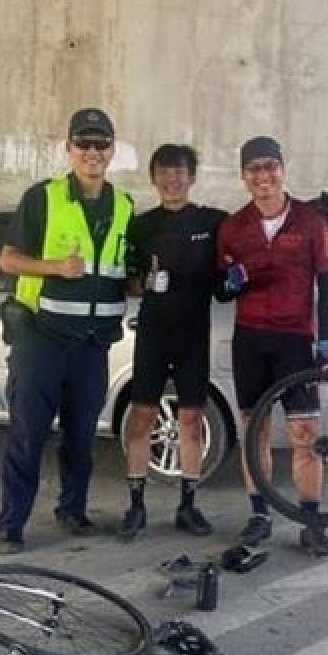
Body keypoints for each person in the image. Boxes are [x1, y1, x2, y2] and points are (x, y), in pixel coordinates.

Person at [0, 108, 134, 553]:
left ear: (111, 150)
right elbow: (8, 260)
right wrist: (55, 267)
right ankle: (11, 525)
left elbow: (119, 270)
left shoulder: (124, 206)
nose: (93, 152)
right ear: (69, 148)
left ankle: (72, 511)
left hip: (92, 344)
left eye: (101, 143)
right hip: (42, 337)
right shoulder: (43, 198)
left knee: (82, 437)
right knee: (28, 434)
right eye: (83, 143)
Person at [216, 135, 328, 556]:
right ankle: (259, 516)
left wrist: (326, 340)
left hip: (295, 340)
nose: (263, 176)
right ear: (243, 177)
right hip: (250, 339)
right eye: (254, 169)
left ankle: (311, 521)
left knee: (306, 433)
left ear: (283, 171)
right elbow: (221, 290)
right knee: (255, 432)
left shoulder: (310, 221)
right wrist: (232, 282)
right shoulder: (234, 227)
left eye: (270, 166)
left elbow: (327, 283)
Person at [118, 144, 227, 541]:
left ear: (191, 177)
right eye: (164, 172)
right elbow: (128, 283)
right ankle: (136, 505)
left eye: (179, 172)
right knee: (142, 416)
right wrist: (142, 282)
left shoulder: (213, 222)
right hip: (152, 334)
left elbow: (241, 251)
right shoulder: (141, 225)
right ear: (154, 179)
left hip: (193, 335)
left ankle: (188, 505)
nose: (172, 180)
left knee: (191, 420)